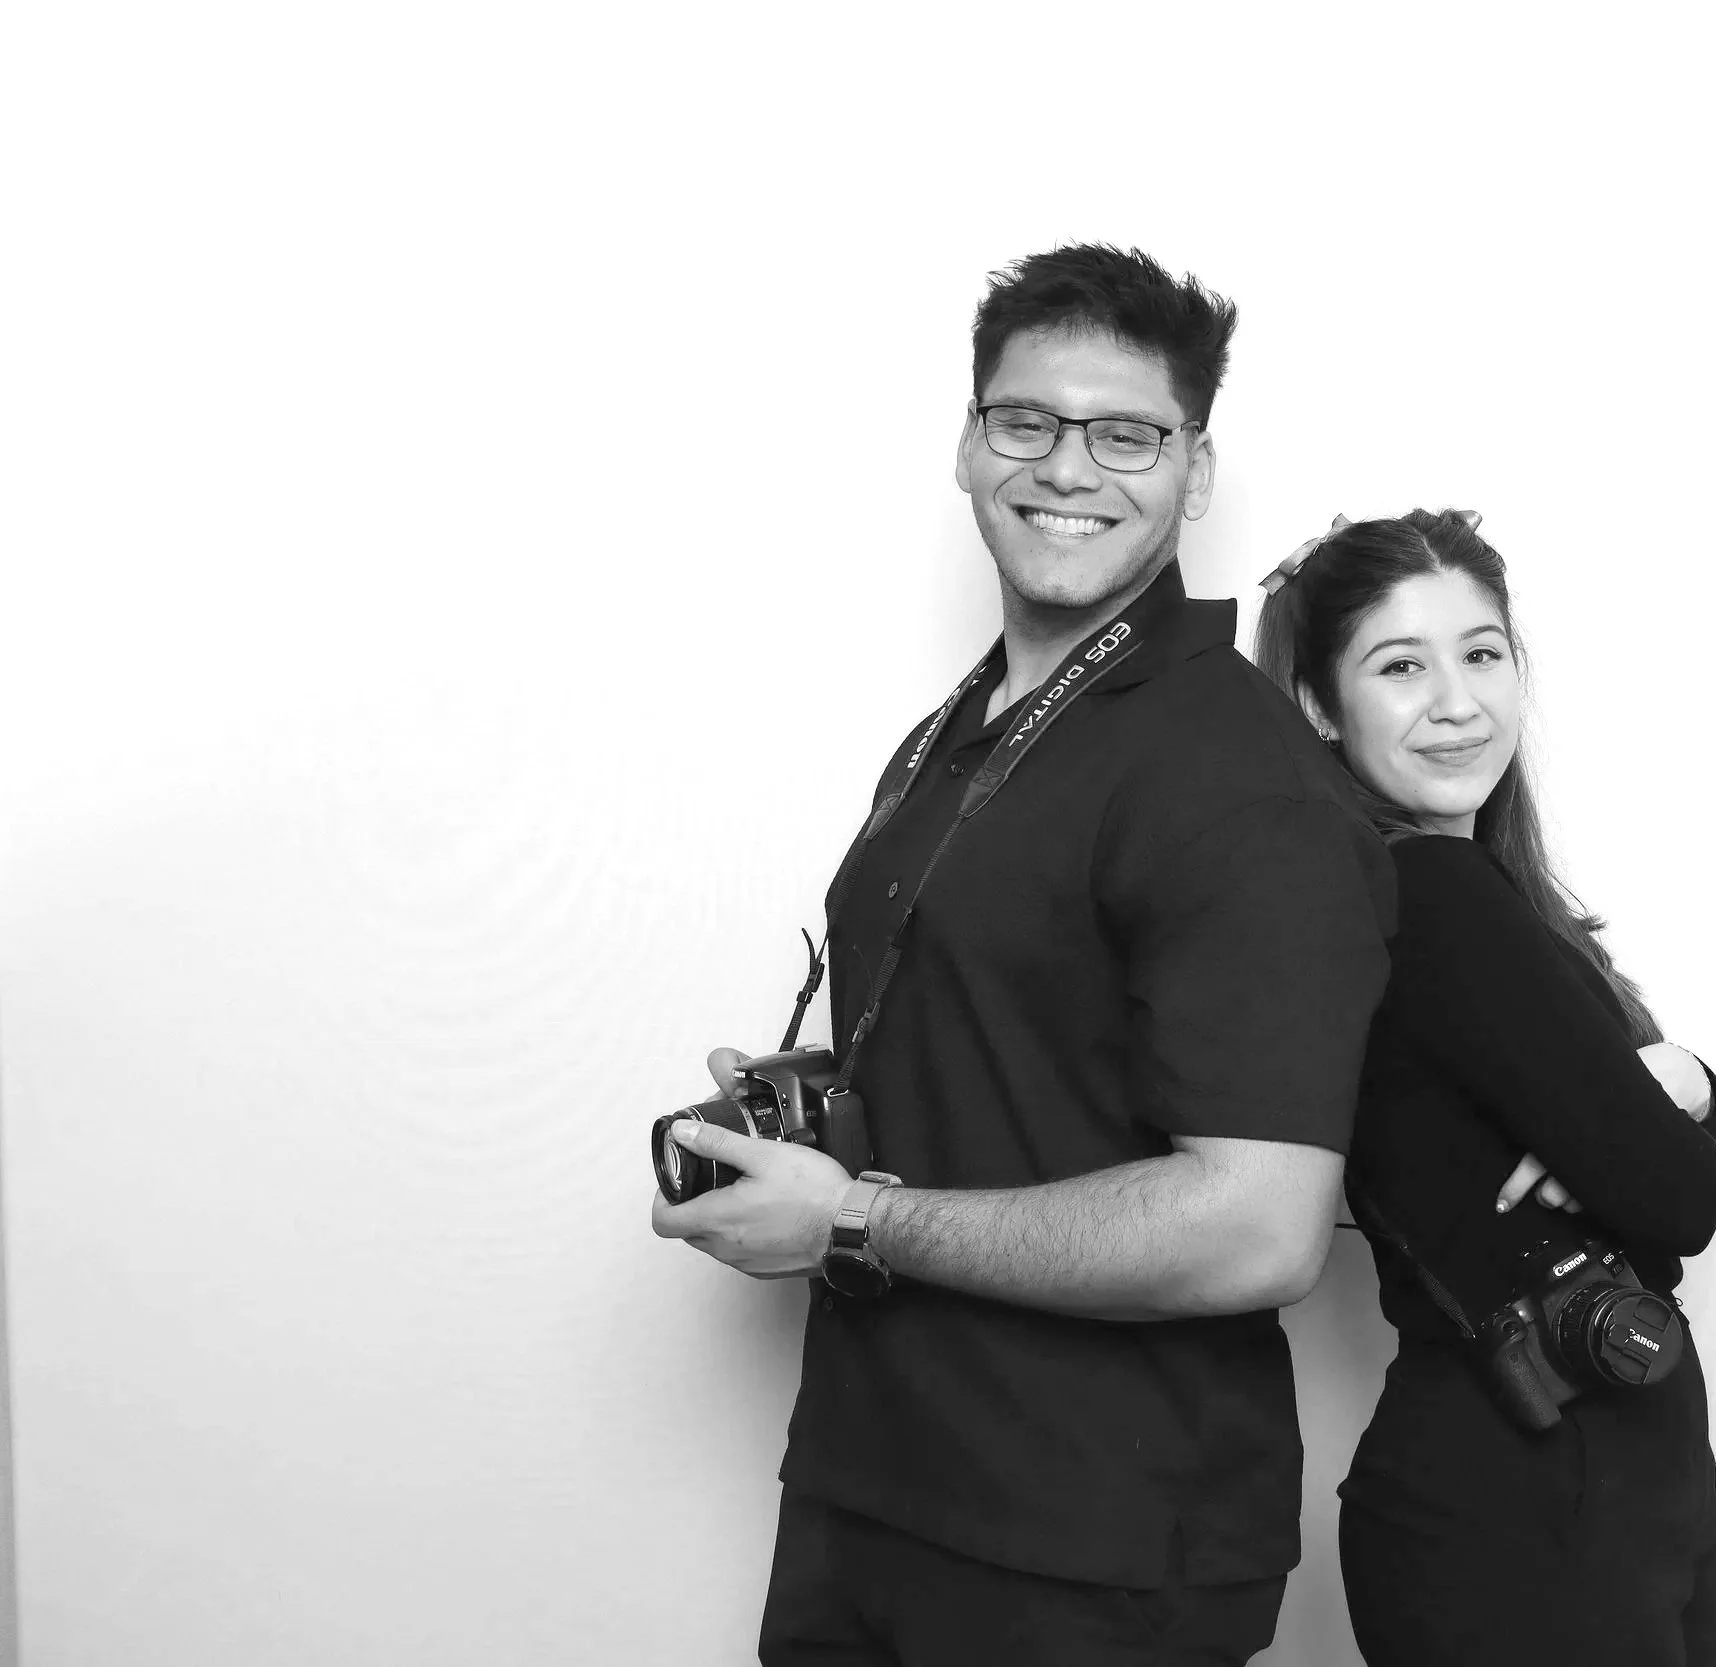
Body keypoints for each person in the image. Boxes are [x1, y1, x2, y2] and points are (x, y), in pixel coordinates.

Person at [651, 246, 1395, 1667]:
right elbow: (1017, 1027)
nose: (1070, 466)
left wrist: (854, 1215)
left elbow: (1258, 1222)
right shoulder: (961, 728)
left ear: (1197, 470)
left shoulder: (1241, 783)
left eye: (1128, 432)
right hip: (873, 1492)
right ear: (968, 442)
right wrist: (828, 1099)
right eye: (1026, 420)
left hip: (1091, 1551)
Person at [1251, 508, 1716, 1666]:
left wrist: (1685, 1079)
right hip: (1536, 1502)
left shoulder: (1451, 896)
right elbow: (1682, 1203)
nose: (1456, 698)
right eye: (1399, 664)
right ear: (1319, 704)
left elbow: (1646, 1142)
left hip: (1575, 1482)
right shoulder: (1434, 896)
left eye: (1481, 652)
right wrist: (1664, 1100)